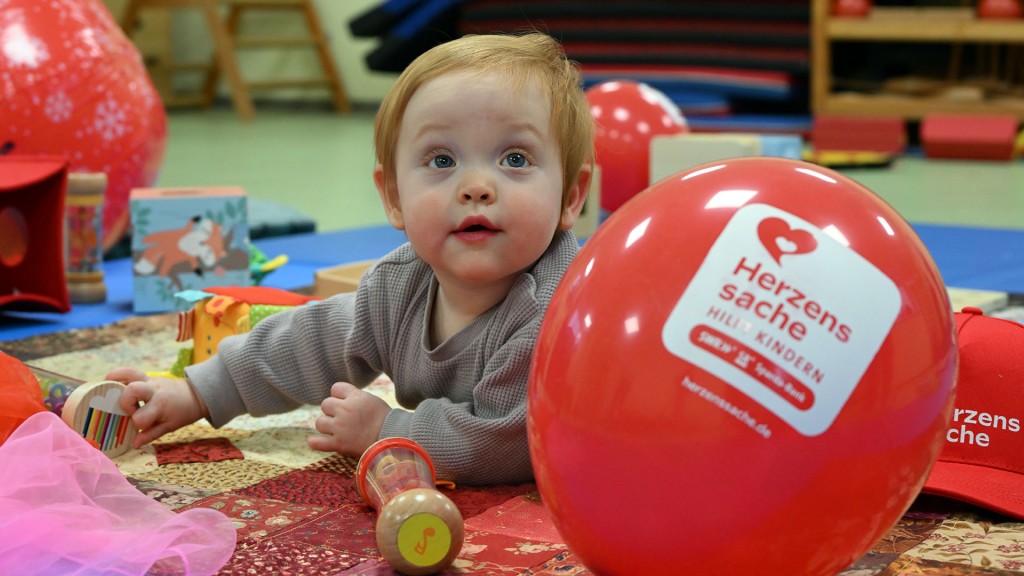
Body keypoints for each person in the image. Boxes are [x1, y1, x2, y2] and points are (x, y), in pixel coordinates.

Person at [107, 32, 595, 486]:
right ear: (395, 198)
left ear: (572, 197)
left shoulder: (554, 309)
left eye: (515, 159)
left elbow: (509, 444)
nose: (476, 187)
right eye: (442, 161)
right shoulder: (398, 285)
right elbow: (309, 342)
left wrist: (387, 427)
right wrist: (195, 393)